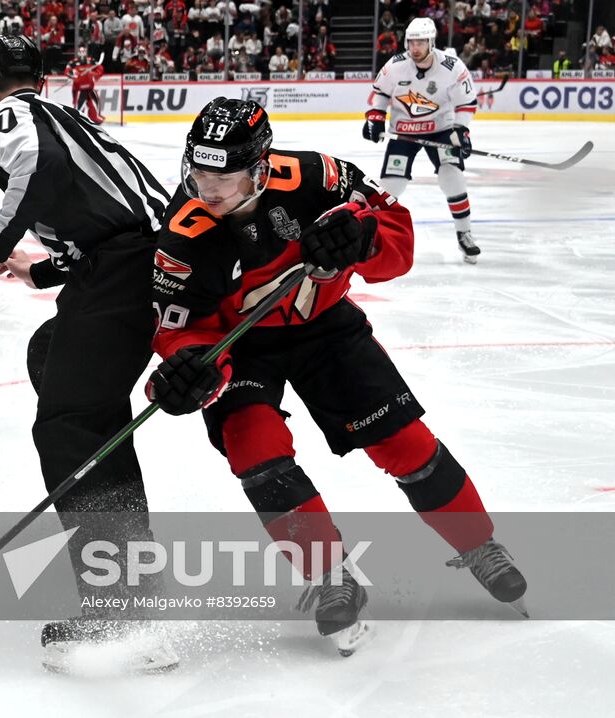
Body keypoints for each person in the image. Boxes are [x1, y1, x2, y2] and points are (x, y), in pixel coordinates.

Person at [148, 97, 528, 656]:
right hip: (246, 349)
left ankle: (479, 544)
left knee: (406, 444)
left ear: (259, 167)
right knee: (255, 450)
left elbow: (397, 240)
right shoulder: (183, 238)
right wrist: (194, 366)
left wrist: (365, 238)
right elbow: (179, 329)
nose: (208, 191)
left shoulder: (320, 178)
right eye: (198, 173)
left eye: (223, 179)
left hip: (327, 328)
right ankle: (328, 576)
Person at [0, 34, 176, 675]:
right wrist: (45, 270)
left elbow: (41, 169)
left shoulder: (11, 115)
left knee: (68, 426)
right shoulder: (67, 115)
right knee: (53, 359)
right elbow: (111, 213)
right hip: (133, 267)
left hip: (122, 278)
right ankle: (129, 572)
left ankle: (121, 610)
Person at [364, 17, 481, 263]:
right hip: (403, 132)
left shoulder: (452, 67)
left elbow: (466, 102)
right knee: (390, 187)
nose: (415, 48)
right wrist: (374, 118)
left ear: (431, 42)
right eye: (411, 42)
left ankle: (464, 234)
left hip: (441, 130)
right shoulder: (396, 66)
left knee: (452, 177)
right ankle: (371, 237)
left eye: (420, 42)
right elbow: (380, 94)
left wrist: (461, 130)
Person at [65, 44, 104, 124]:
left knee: (94, 105)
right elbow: (67, 71)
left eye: (84, 51)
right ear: (78, 52)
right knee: (78, 108)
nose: (82, 53)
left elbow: (100, 68)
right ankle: (78, 120)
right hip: (78, 89)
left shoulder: (91, 60)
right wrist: (74, 75)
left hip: (90, 88)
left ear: (86, 52)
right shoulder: (73, 63)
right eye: (81, 51)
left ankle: (95, 118)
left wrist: (94, 74)